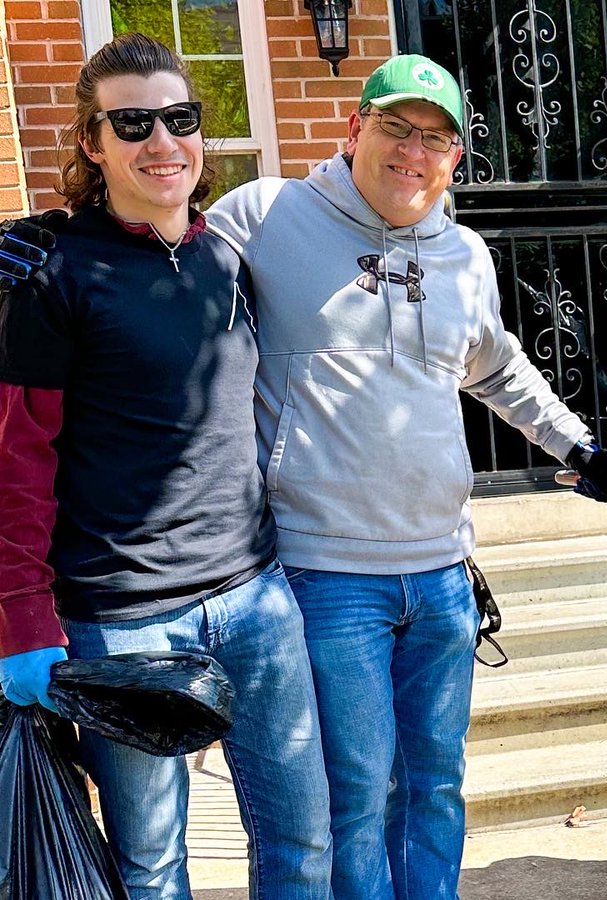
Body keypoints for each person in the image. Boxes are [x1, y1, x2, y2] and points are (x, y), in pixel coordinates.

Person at [202, 55, 607, 898]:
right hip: (327, 575)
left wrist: (579, 448)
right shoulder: (266, 215)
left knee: (434, 788)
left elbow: (499, 370)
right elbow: (160, 249)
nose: (412, 151)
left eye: (435, 138)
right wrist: (65, 242)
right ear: (353, 128)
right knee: (357, 798)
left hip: (440, 578)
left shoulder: (464, 255)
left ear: (455, 159)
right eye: (395, 127)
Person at [0, 33, 333, 899]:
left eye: (178, 118)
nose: (161, 141)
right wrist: (22, 619)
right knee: (152, 866)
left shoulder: (225, 257)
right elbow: (16, 460)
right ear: (91, 141)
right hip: (123, 623)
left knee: (303, 840)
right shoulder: (49, 273)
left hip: (257, 598)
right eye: (133, 122)